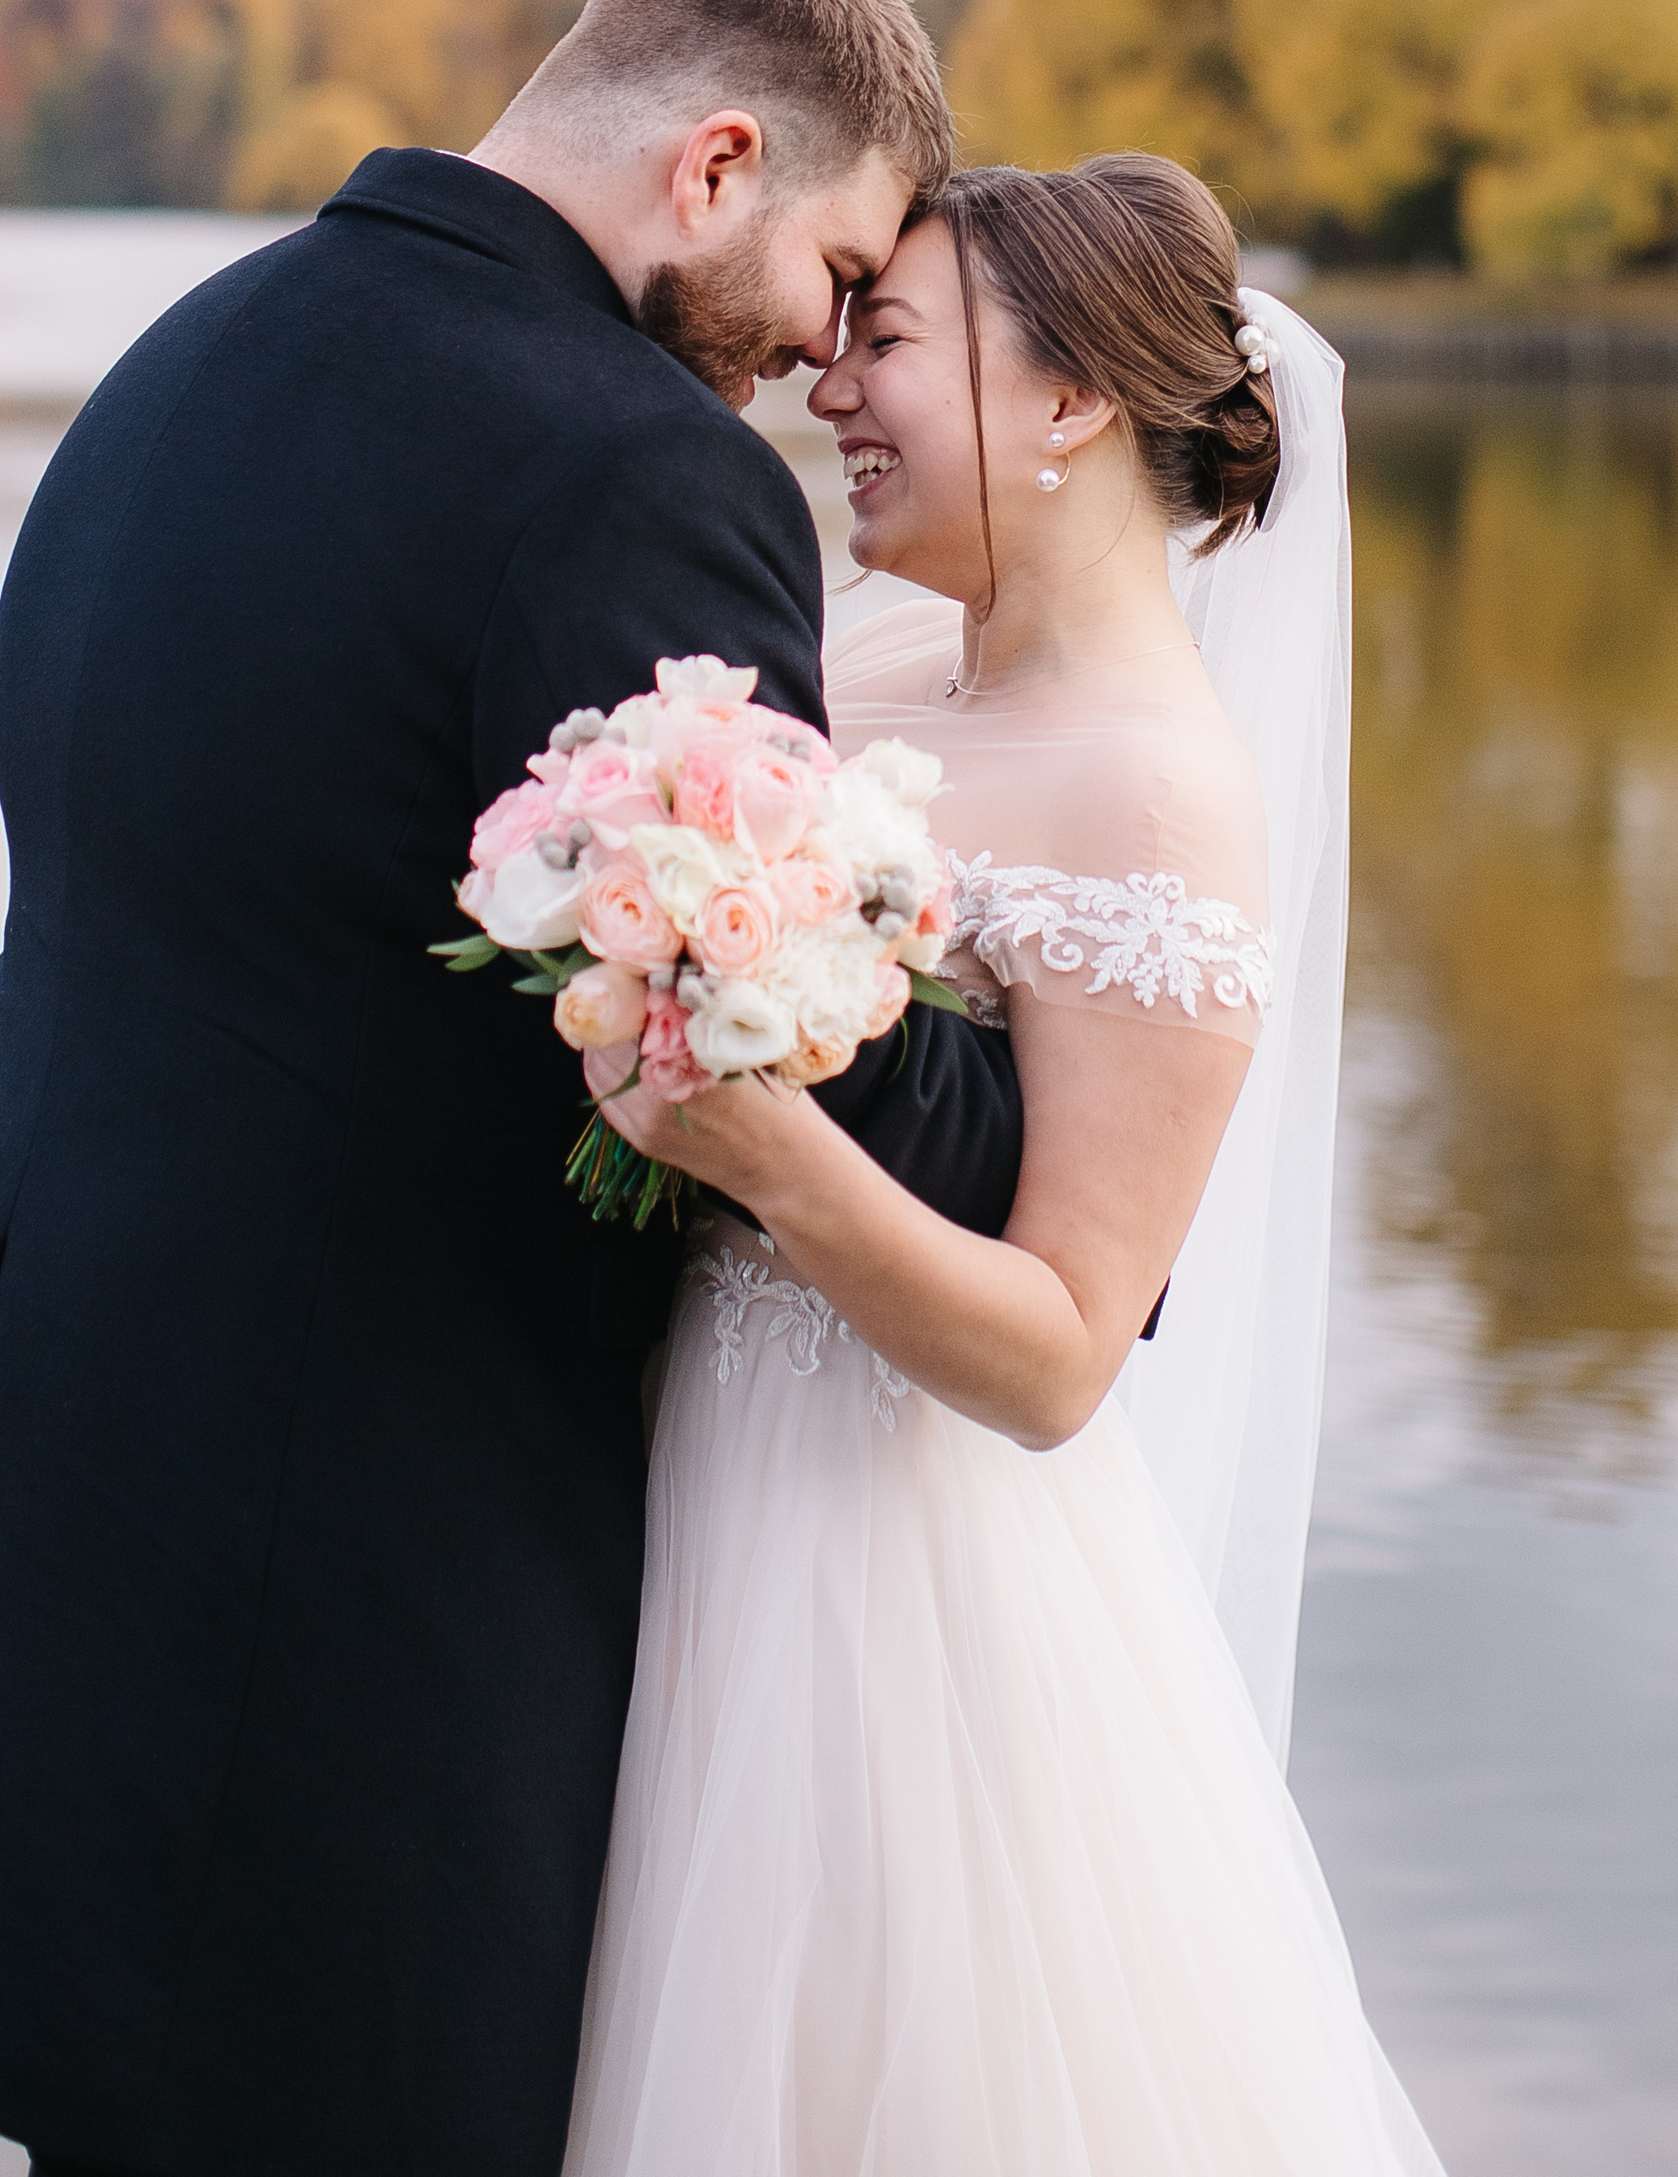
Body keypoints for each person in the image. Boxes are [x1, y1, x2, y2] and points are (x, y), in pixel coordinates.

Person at [0, 0, 1026, 2177]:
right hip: (347, 1565)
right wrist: (1066, 1103)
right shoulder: (624, 471)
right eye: (840, 267)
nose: (818, 356)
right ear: (713, 162)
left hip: (47, 1444)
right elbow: (776, 1009)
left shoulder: (198, 353)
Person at [563, 154, 1444, 2177]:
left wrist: (762, 1150)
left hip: (895, 1593)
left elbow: (1058, 1355)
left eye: (886, 344)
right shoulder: (851, 669)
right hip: (650, 1487)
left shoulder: (1150, 790)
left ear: (1067, 404)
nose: (827, 388)